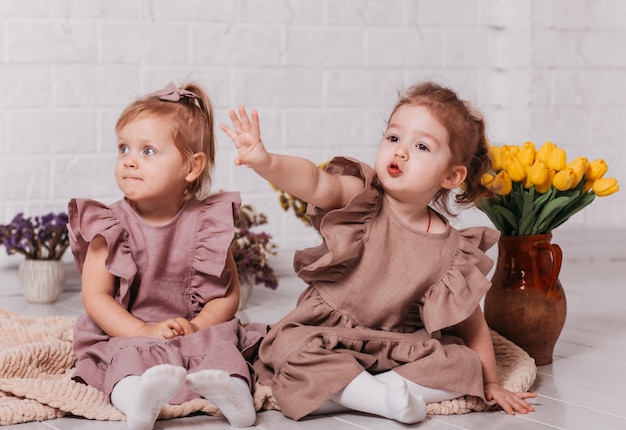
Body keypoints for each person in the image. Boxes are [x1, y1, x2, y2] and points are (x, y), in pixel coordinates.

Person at [221, 81, 537, 424]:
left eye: (421, 146)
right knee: (288, 349)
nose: (400, 152)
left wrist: (492, 383)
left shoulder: (453, 250)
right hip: (327, 335)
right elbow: (314, 181)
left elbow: (473, 324)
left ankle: (361, 393)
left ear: (451, 176)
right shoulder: (362, 197)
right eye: (393, 138)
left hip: (395, 345)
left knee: (462, 365)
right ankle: (383, 399)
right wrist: (264, 161)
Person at [68, 82, 263, 429]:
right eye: (123, 148)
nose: (129, 160)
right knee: (121, 358)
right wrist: (142, 330)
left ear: (190, 167)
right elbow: (95, 296)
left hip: (191, 328)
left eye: (147, 151)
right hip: (129, 329)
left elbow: (228, 292)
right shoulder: (109, 224)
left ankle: (234, 395)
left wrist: (198, 325)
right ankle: (138, 400)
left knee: (222, 344)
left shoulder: (207, 224)